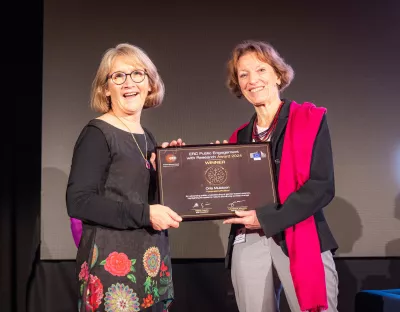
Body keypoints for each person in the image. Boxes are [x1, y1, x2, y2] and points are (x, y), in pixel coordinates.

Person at [222, 40, 339, 312]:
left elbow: (321, 187)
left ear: (277, 74)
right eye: (243, 74)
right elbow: (231, 195)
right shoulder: (238, 138)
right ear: (238, 84)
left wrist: (264, 217)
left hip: (301, 233)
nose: (253, 80)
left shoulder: (311, 119)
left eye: (261, 70)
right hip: (248, 239)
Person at [66, 43, 183, 312]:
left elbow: (141, 197)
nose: (129, 83)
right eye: (118, 76)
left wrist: (172, 171)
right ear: (106, 89)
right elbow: (79, 201)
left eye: (137, 74)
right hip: (112, 269)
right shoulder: (98, 133)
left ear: (150, 84)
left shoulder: (147, 137)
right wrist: (145, 214)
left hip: (151, 262)